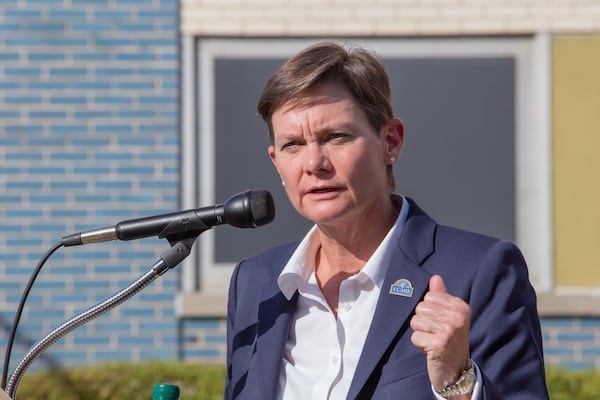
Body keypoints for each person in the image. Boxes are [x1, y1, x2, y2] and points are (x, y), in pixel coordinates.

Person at [225, 41, 549, 400]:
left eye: (335, 137)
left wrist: (458, 385)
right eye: (293, 145)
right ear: (276, 162)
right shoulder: (256, 283)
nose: (313, 163)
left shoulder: (480, 272)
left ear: (390, 142)